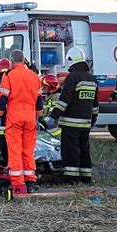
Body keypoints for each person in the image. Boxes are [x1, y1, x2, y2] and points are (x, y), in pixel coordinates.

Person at [45, 47, 99, 184]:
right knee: (84, 150)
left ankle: (71, 179)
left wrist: (53, 116)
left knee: (71, 151)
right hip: (85, 123)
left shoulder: (72, 78)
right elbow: (95, 104)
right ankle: (86, 177)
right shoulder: (92, 79)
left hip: (70, 123)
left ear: (70, 61)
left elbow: (64, 100)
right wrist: (93, 119)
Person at [0, 50, 43, 195]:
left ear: (12, 60)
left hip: (14, 117)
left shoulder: (9, 75)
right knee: (28, 150)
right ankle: (30, 182)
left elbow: (3, 98)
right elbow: (39, 101)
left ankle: (18, 184)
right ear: (23, 60)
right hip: (30, 117)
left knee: (15, 150)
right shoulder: (34, 76)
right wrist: (37, 117)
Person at [40, 73, 62, 138]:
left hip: (55, 131)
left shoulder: (56, 97)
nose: (43, 88)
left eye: (45, 86)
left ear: (51, 86)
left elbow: (52, 114)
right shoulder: (48, 97)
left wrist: (43, 123)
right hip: (48, 130)